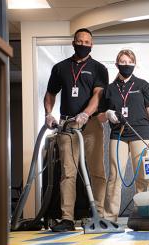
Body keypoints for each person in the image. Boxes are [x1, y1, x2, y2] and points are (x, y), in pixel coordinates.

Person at [44, 28, 109, 232]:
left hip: (90, 126)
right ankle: (67, 218)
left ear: (92, 44)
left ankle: (98, 215)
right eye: (79, 41)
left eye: (87, 42)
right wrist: (48, 113)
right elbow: (50, 93)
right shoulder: (60, 68)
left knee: (97, 171)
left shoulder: (99, 68)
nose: (83, 44)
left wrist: (86, 114)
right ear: (73, 43)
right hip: (66, 126)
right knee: (67, 173)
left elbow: (98, 95)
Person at [99, 49, 149, 222]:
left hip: (141, 134)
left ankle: (143, 215)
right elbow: (100, 117)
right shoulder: (109, 89)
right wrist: (108, 113)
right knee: (115, 176)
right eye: (122, 62)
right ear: (116, 64)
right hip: (118, 135)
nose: (126, 65)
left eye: (129, 62)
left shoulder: (142, 85)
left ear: (134, 64)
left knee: (143, 177)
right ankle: (110, 217)